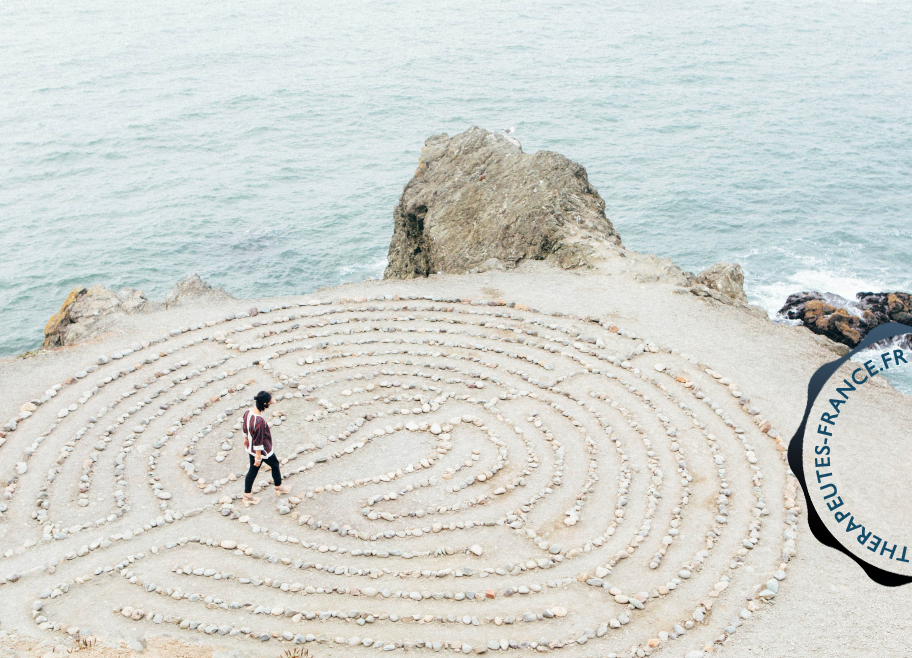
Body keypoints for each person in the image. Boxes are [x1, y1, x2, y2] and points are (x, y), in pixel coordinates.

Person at [241, 390, 289, 506]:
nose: (270, 403)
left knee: (253, 471)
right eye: (269, 402)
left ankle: (247, 495)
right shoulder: (259, 421)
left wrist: (246, 439)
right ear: (264, 404)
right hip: (262, 450)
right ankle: (278, 486)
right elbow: (258, 440)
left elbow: (245, 427)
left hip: (251, 447)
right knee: (275, 464)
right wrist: (258, 457)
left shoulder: (248, 412)